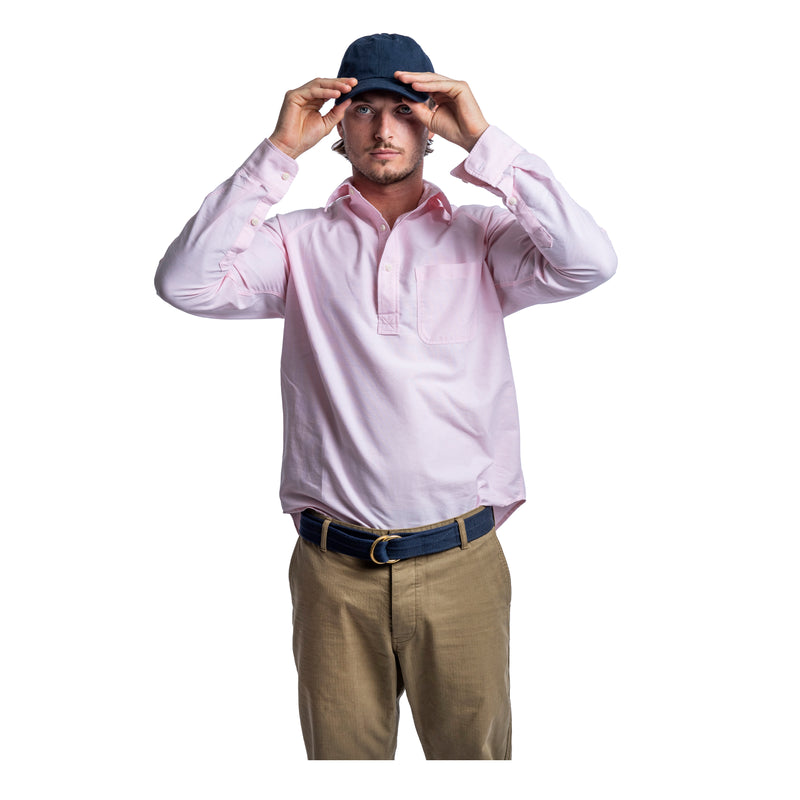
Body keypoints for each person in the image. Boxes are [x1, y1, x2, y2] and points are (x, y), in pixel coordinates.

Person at [155, 33, 617, 760]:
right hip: (334, 571)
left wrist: (484, 140)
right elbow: (184, 283)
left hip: (461, 562)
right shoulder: (295, 243)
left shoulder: (482, 235)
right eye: (364, 108)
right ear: (338, 124)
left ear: (430, 123)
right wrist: (278, 151)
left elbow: (589, 262)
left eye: (404, 109)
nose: (383, 128)